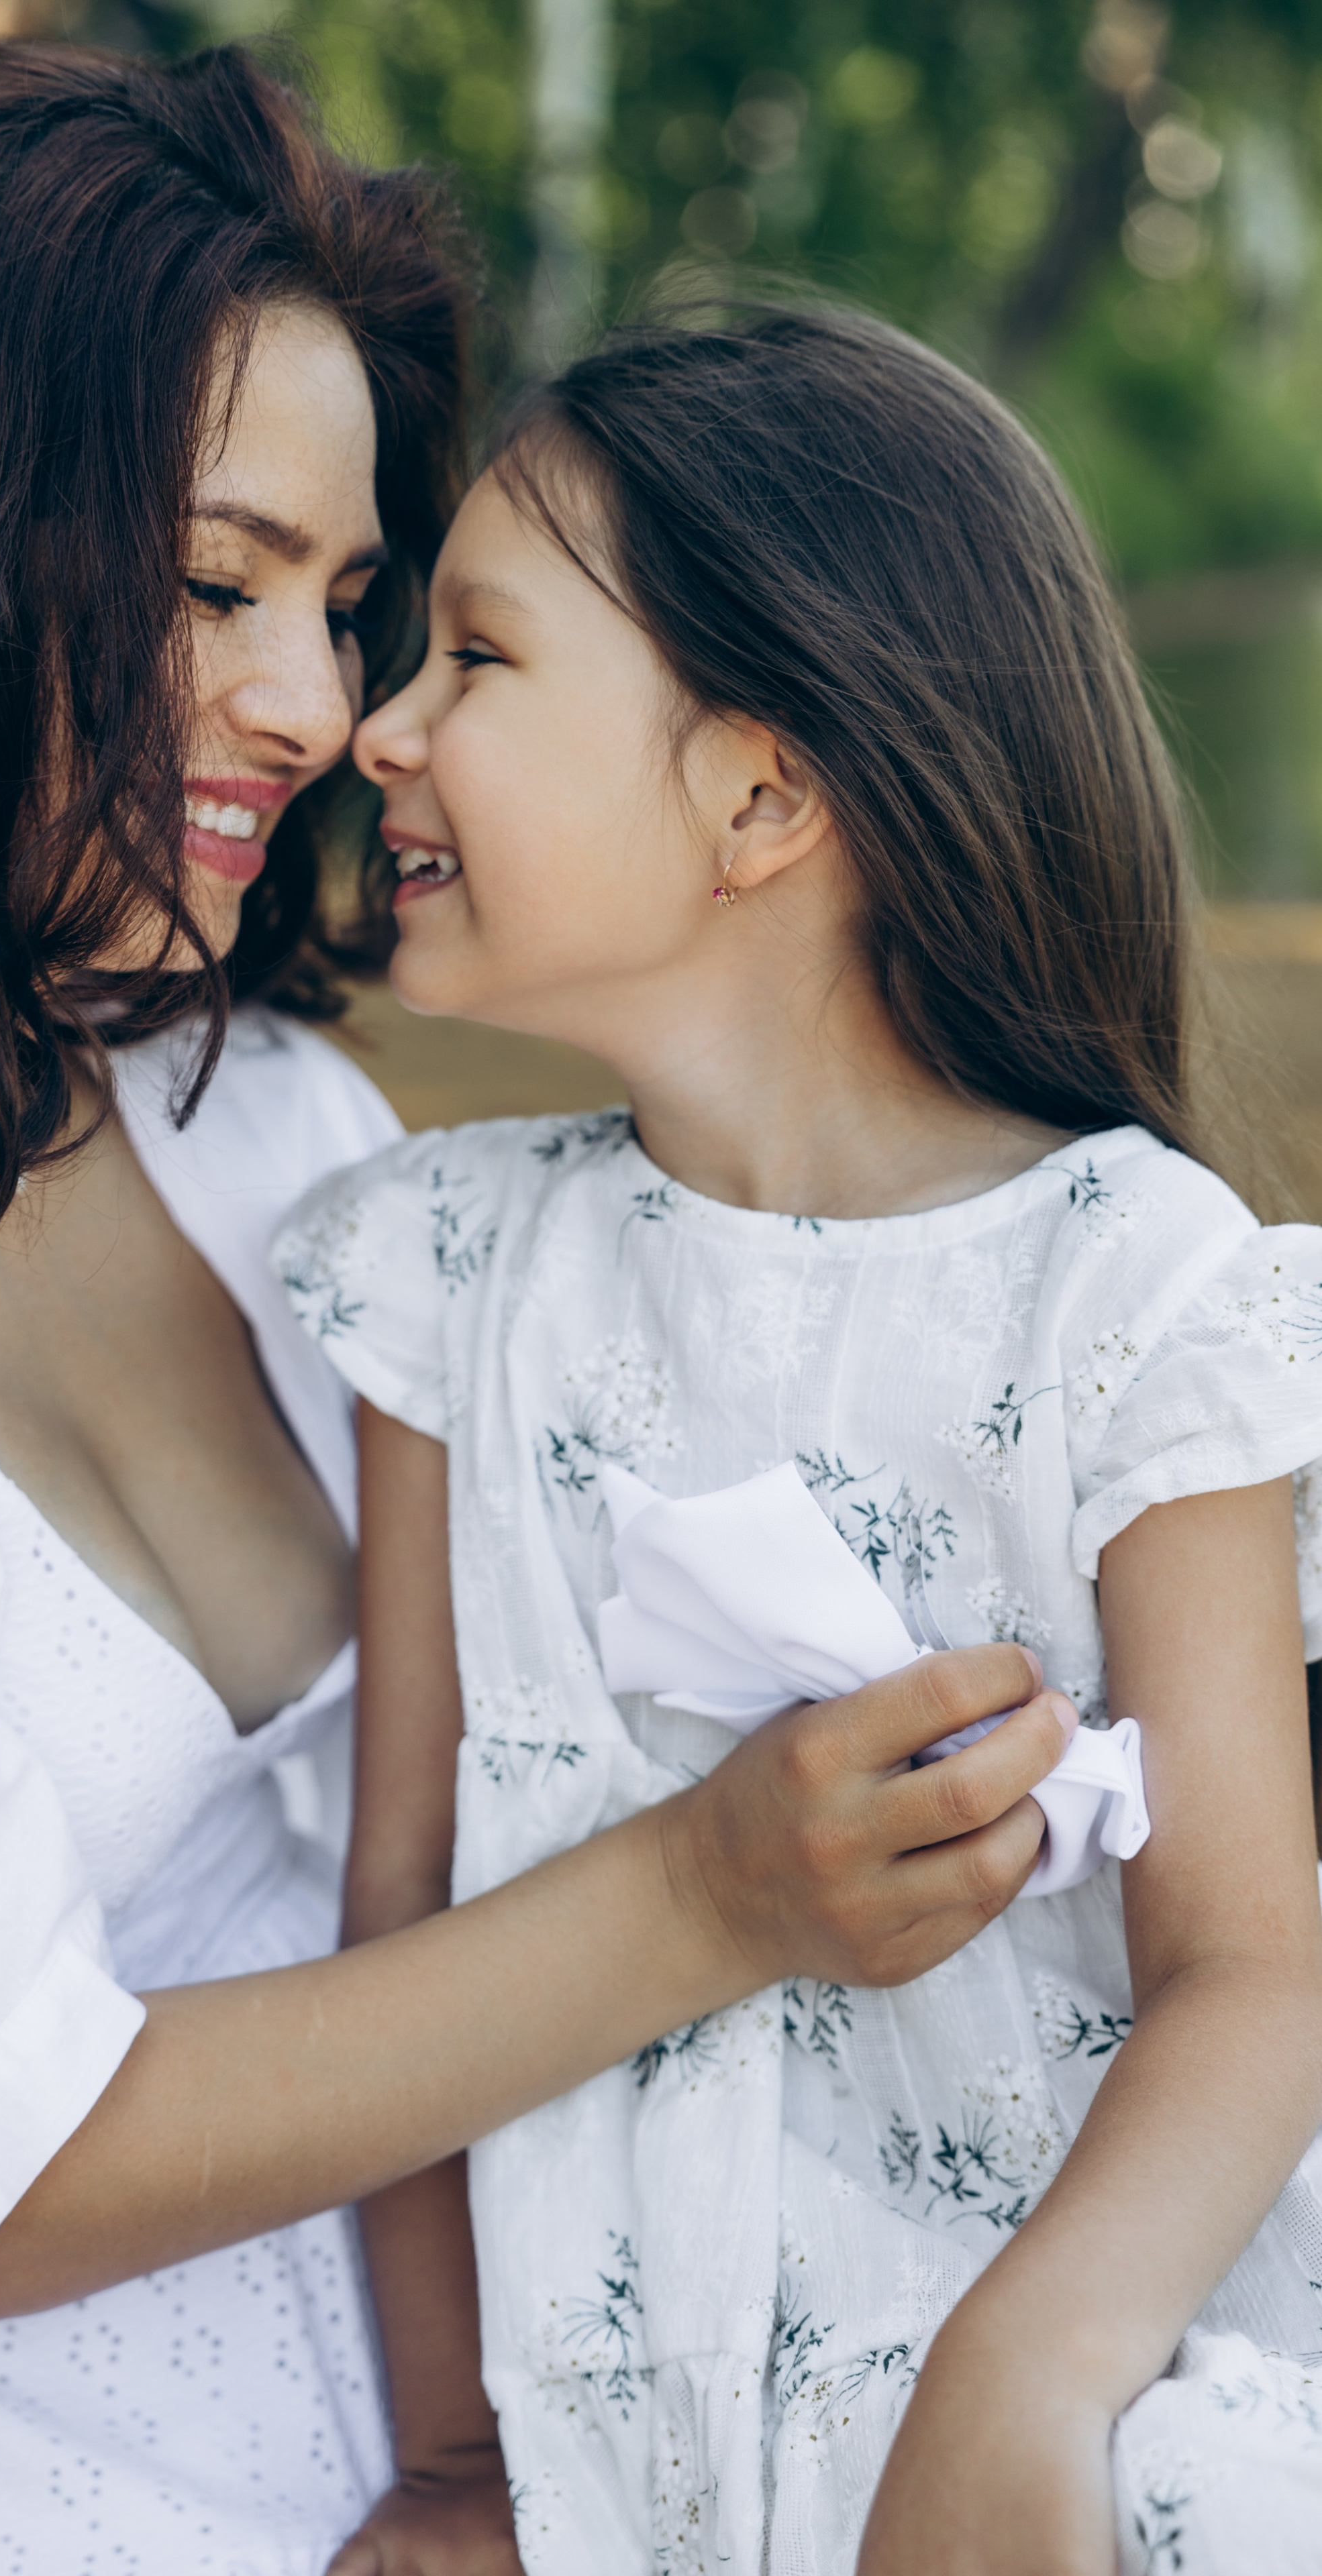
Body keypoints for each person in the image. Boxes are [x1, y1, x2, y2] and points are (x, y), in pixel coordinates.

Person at [0, 52, 1072, 2576]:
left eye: (347, 601)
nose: (318, 710)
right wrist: (712, 1898)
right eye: (215, 587)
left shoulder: (256, 1118)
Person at [281, 307, 1322, 2576]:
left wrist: (1028, 2383)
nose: (380, 726)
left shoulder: (1141, 1294)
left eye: (476, 658)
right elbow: (402, 1917)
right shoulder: (449, 1282)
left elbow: (1252, 1966)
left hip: (1068, 2439)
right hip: (629, 2472)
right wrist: (456, 2464)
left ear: (759, 795)